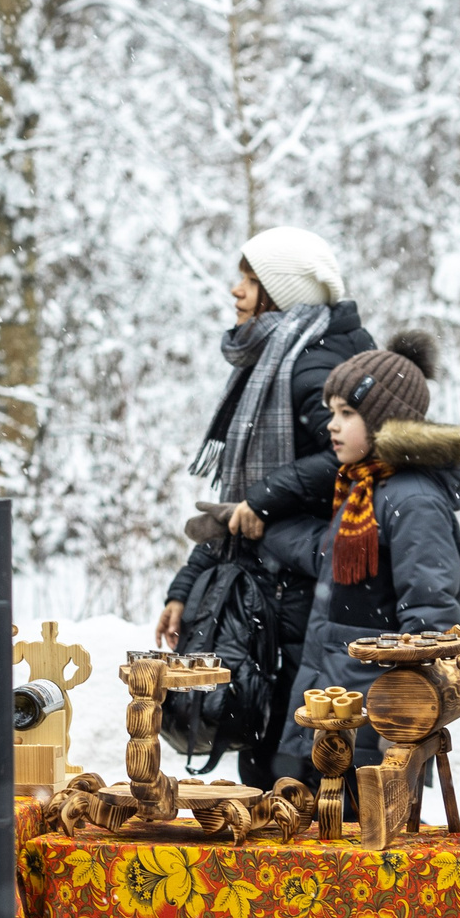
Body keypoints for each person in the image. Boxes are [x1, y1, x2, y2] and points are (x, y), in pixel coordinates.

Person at [153, 227, 374, 786]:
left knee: (298, 765)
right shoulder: (278, 357)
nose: (237, 291)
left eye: (251, 281)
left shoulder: (312, 366)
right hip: (274, 590)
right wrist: (185, 587)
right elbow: (237, 504)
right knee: (277, 758)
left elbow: (351, 459)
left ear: (281, 292)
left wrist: (266, 497)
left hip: (306, 591)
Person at [257, 331, 460, 780]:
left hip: (373, 715)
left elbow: (431, 620)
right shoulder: (366, 490)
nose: (332, 425)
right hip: (336, 699)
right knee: (323, 821)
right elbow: (327, 555)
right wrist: (259, 526)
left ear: (384, 422)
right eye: (332, 412)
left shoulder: (414, 500)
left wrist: (403, 718)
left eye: (347, 413)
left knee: (367, 825)